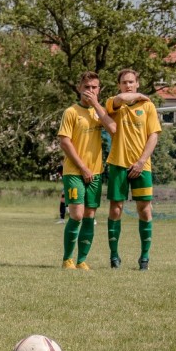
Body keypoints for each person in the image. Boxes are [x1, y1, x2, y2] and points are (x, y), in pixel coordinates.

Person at [57, 72, 118, 271]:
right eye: (87, 87)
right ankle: (68, 260)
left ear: (99, 90)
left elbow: (114, 129)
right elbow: (65, 142)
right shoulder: (71, 112)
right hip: (74, 171)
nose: (90, 91)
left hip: (96, 172)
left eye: (94, 87)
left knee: (90, 215)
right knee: (76, 214)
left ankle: (82, 260)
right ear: (79, 88)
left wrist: (97, 106)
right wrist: (83, 167)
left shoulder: (98, 113)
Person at [105, 68, 161, 270]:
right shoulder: (113, 103)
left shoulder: (148, 107)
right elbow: (120, 99)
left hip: (141, 166)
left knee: (144, 210)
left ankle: (144, 258)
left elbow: (153, 135)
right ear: (119, 85)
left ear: (137, 83)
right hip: (118, 163)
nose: (128, 85)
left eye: (132, 82)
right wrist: (135, 95)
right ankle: (114, 256)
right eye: (124, 82)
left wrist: (141, 161)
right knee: (115, 209)